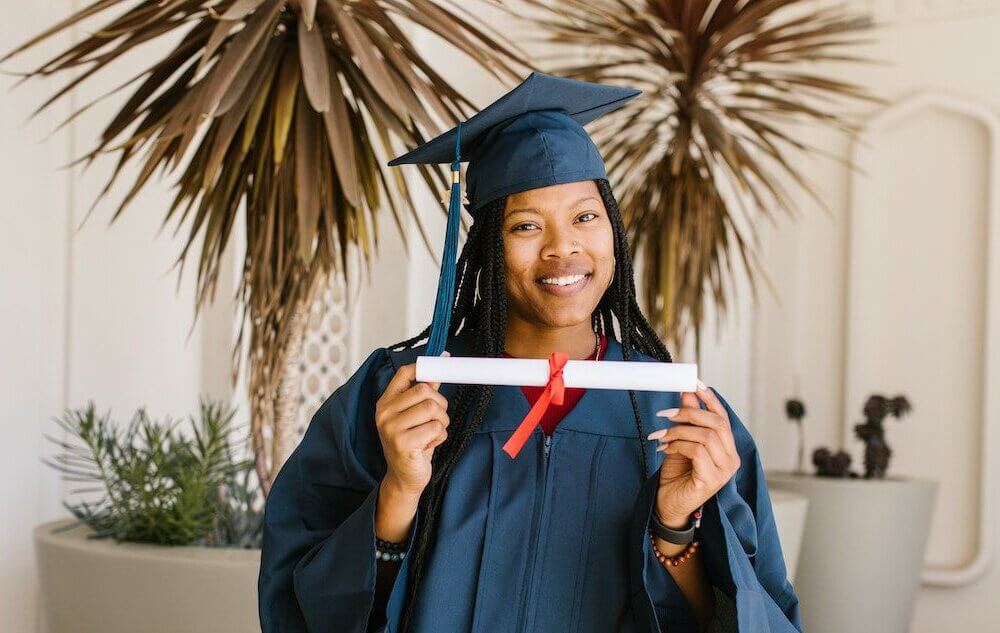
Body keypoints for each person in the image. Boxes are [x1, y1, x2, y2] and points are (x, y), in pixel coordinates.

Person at [257, 71, 802, 633]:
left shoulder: (681, 416)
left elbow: (752, 617)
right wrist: (399, 492)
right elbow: (300, 606)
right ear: (488, 246)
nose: (563, 246)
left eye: (585, 217)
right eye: (525, 225)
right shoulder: (400, 396)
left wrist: (675, 526)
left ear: (613, 230)